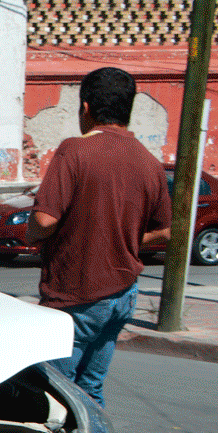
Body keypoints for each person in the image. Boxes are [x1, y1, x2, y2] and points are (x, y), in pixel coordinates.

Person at [27, 67, 171, 407]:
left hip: (76, 296)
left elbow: (45, 220)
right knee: (91, 390)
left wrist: (33, 233)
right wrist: (124, 239)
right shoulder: (150, 163)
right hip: (123, 295)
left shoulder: (74, 150)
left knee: (56, 397)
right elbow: (165, 231)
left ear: (86, 108)